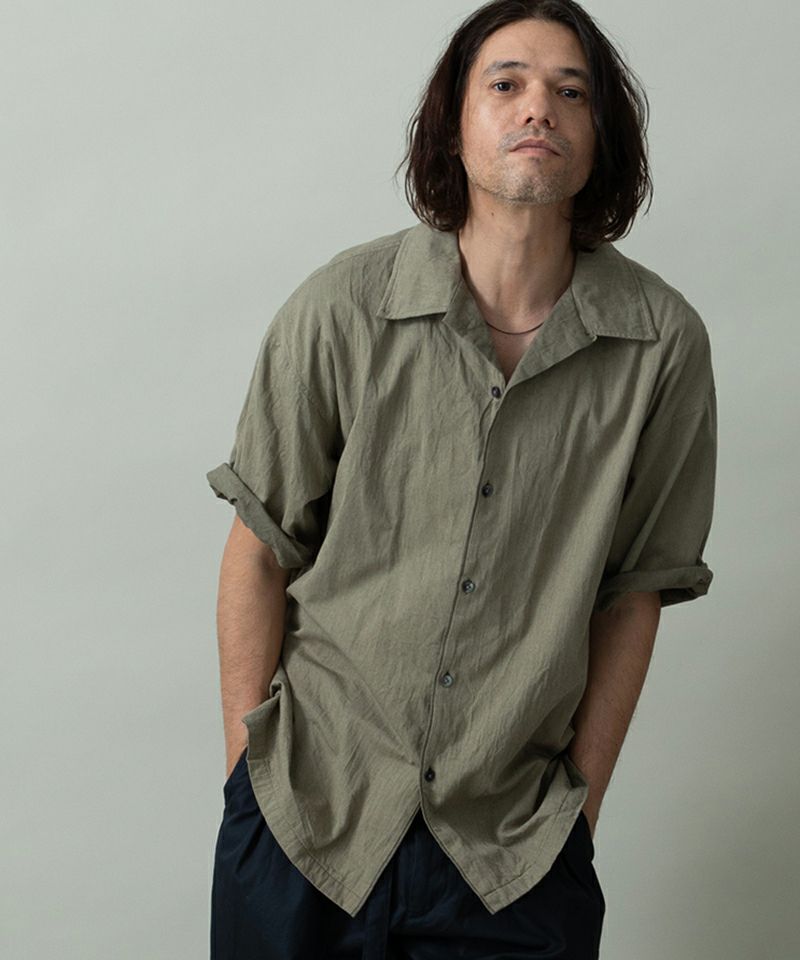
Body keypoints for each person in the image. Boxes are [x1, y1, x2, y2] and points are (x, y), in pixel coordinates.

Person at [206, 0, 717, 957]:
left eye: (572, 92)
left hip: (513, 854)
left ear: (601, 136)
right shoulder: (342, 308)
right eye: (506, 83)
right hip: (307, 823)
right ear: (454, 123)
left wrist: (578, 817)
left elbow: (635, 592)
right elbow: (259, 548)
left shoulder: (662, 346)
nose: (539, 108)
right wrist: (247, 778)